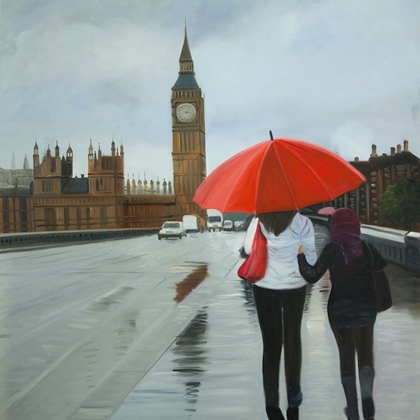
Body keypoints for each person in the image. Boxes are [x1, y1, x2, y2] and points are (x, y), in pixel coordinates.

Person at [297, 208, 387, 420]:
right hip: (365, 308)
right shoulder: (368, 247)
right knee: (365, 355)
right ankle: (368, 400)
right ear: (355, 226)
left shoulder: (330, 250)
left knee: (346, 356)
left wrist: (300, 257)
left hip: (339, 310)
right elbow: (381, 271)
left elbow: (311, 275)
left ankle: (351, 406)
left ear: (334, 227)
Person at [242, 211, 317, 420]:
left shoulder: (259, 220)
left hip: (265, 286)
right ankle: (293, 394)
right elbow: (311, 258)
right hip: (295, 286)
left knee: (271, 343)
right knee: (293, 338)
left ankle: (271, 399)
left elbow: (248, 249)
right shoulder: (303, 222)